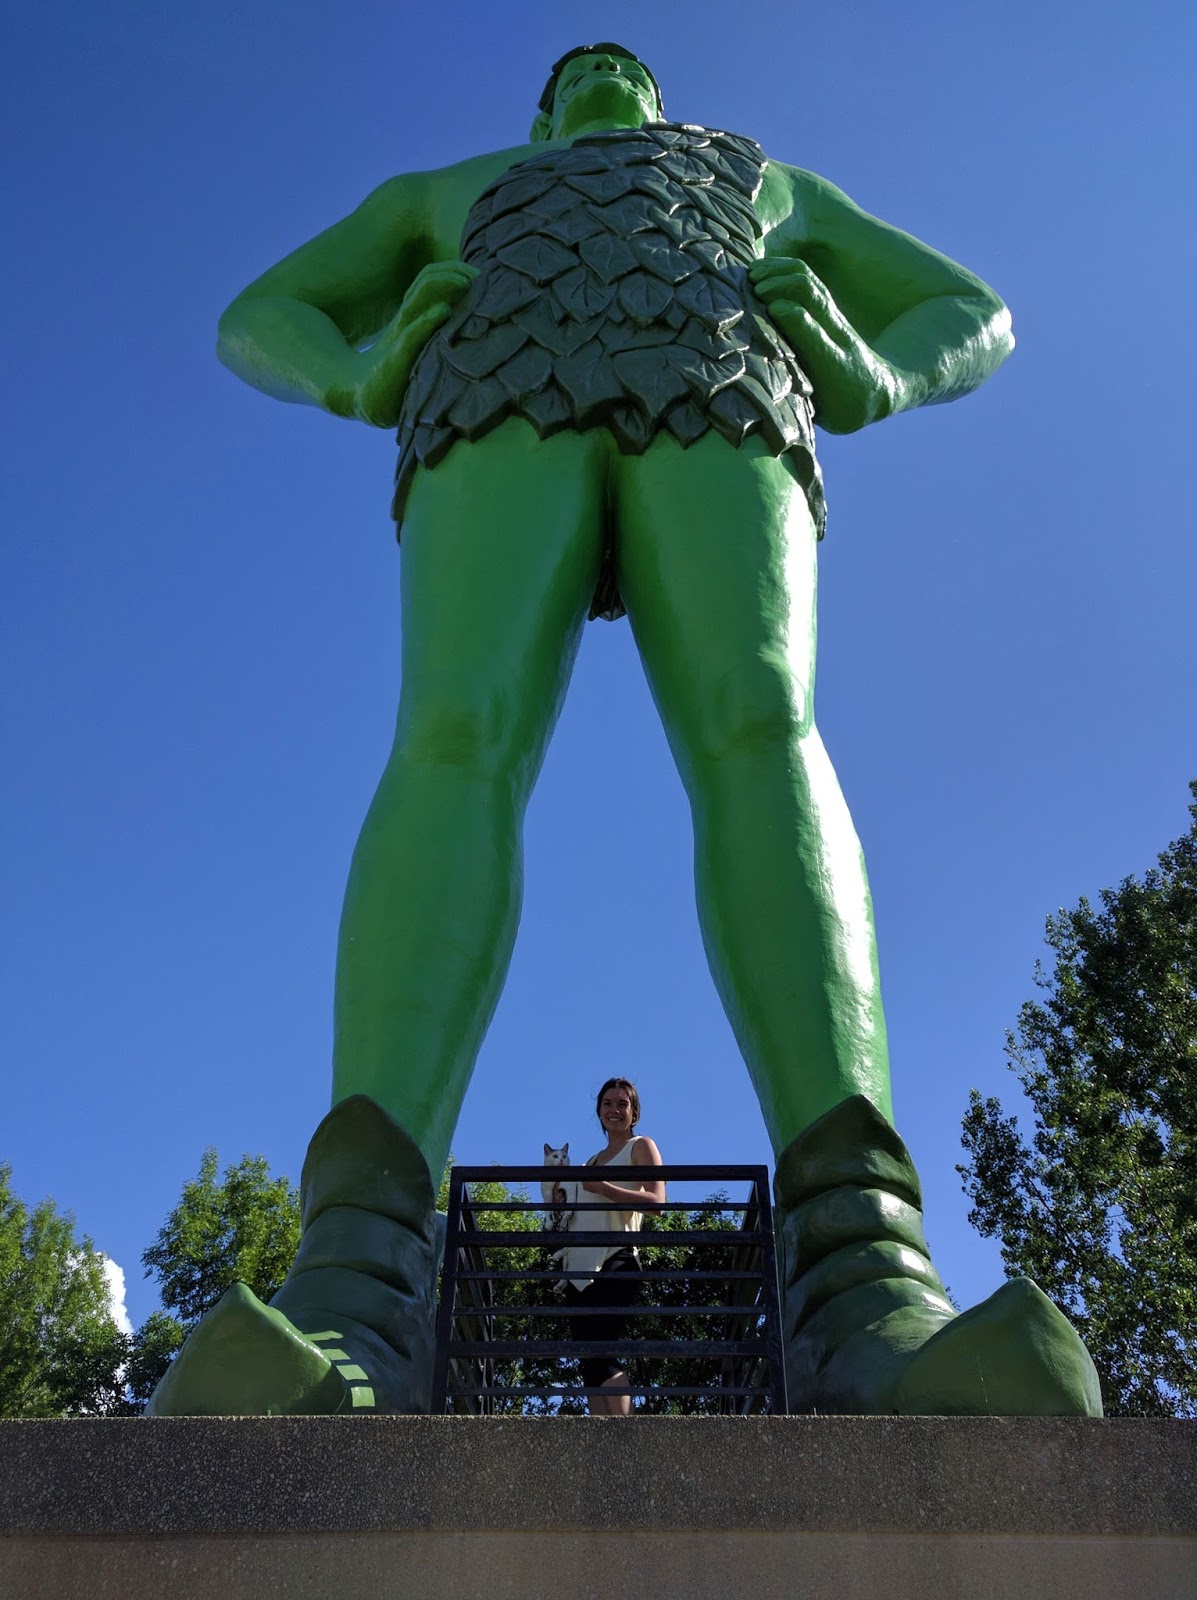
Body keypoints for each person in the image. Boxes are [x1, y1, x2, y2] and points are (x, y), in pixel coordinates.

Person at [148, 44, 1101, 1418]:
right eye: (569, 65)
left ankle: (867, 1274)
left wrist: (879, 373)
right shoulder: (443, 190)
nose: (600, 61)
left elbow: (973, 310)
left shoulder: (766, 182)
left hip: (726, 381)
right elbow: (260, 314)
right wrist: (359, 374)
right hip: (486, 394)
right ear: (538, 114)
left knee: (762, 725)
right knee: (452, 737)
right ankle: (353, 1279)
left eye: (625, 59)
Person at [557, 1078, 664, 1415]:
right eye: (607, 1103)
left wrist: (605, 1188)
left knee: (602, 1350)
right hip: (578, 1271)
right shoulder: (589, 1162)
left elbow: (657, 1202)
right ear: (598, 1111)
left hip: (617, 1259)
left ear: (634, 1113)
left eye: (622, 1104)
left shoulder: (640, 1145)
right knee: (589, 1360)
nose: (614, 1110)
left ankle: (624, 1436)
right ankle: (601, 1442)